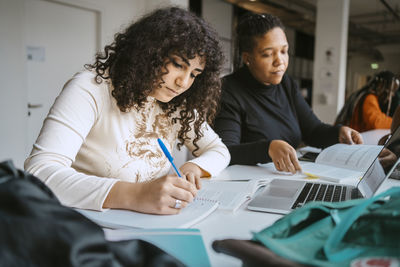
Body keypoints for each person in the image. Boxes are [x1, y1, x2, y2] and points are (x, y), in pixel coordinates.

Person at [24, 7, 230, 215]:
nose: (183, 83)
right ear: (150, 52)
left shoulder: (176, 103)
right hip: (84, 225)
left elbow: (218, 150)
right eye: (178, 65)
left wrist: (194, 167)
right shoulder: (91, 88)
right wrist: (136, 195)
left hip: (146, 224)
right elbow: (40, 172)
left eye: (194, 74)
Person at [213, 12, 362, 174]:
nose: (280, 61)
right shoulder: (228, 90)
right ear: (248, 58)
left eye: (284, 51)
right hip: (247, 185)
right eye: (268, 54)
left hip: (285, 177)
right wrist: (268, 148)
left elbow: (312, 130)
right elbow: (225, 152)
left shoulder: (286, 84)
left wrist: (338, 133)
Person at [335, 71, 400, 132]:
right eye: (391, 91)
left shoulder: (363, 94)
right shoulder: (369, 98)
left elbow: (378, 117)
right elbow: (376, 123)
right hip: (348, 137)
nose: (392, 94)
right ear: (381, 85)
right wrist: (397, 122)